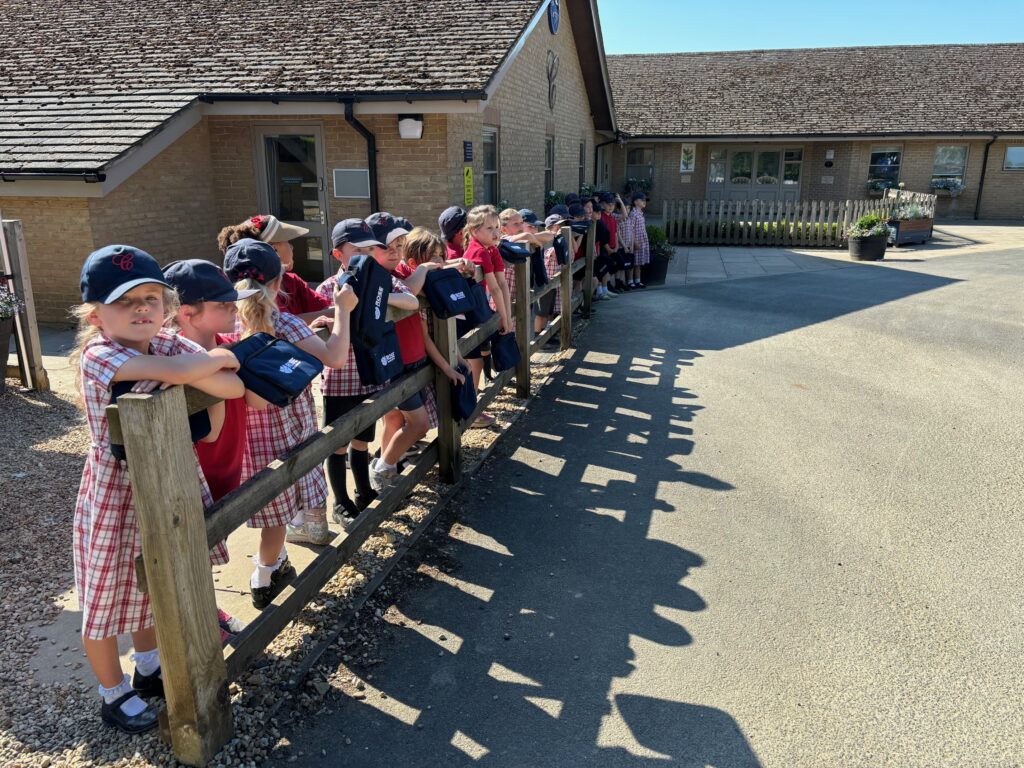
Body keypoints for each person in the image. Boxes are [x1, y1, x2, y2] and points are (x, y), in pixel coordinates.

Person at [72, 245, 244, 734]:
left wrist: (209, 367)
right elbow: (191, 373)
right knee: (106, 594)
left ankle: (148, 667)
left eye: (152, 297)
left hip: (169, 480)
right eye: (126, 302)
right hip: (115, 491)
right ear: (96, 314)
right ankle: (112, 691)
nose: (143, 309)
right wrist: (211, 363)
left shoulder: (165, 343)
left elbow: (232, 386)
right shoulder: (99, 355)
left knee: (153, 585)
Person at [224, 238, 357, 605]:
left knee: (270, 505)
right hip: (291, 426)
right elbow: (334, 357)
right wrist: (343, 312)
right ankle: (264, 576)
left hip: (251, 433)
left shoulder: (228, 327)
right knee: (281, 506)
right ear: (278, 282)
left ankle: (272, 563)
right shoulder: (282, 324)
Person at [162, 259, 267, 640]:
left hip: (227, 464)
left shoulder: (226, 346)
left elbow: (258, 400)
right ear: (187, 313)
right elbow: (209, 431)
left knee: (206, 546)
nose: (232, 310)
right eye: (222, 305)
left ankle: (205, 611)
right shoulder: (175, 362)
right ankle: (198, 624)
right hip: (196, 472)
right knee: (190, 550)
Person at [315, 218, 416, 527]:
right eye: (357, 249)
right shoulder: (330, 288)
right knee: (338, 443)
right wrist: (337, 313)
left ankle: (364, 490)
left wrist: (376, 296)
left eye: (371, 248)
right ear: (338, 255)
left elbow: (410, 301)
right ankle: (341, 502)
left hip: (369, 374)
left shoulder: (381, 280)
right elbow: (319, 320)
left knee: (362, 438)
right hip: (339, 380)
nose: (366, 254)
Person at [362, 213, 436, 492]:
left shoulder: (401, 270)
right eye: (386, 246)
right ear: (370, 248)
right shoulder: (377, 276)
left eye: (399, 245)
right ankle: (383, 469)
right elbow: (411, 292)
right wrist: (425, 269)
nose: (394, 252)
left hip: (410, 358)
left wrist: (432, 266)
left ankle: (387, 463)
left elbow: (411, 285)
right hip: (395, 361)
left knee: (394, 418)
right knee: (419, 424)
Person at [217, 214, 332, 324]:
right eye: (287, 242)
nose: (292, 247)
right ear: (273, 249)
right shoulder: (247, 290)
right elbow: (274, 324)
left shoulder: (291, 280)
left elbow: (324, 308)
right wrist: (342, 310)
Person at [462, 205, 512, 425]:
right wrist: (504, 318)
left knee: (478, 362)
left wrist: (507, 317)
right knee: (473, 364)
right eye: (489, 228)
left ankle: (471, 408)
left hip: (477, 310)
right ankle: (470, 412)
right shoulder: (478, 251)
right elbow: (494, 288)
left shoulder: (491, 249)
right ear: (474, 231)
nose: (495, 232)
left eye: (497, 227)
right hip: (466, 315)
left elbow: (503, 283)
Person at [621, 192, 650, 288]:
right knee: (633, 262)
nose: (644, 202)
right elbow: (631, 229)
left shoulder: (640, 213)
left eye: (645, 200)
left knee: (639, 262)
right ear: (636, 202)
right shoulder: (633, 214)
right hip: (635, 241)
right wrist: (634, 242)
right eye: (642, 200)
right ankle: (630, 281)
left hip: (642, 241)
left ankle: (638, 280)